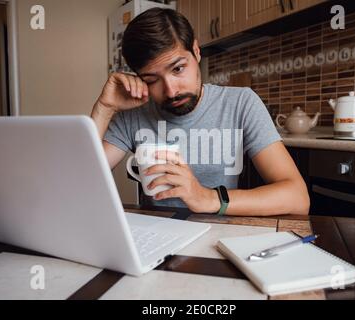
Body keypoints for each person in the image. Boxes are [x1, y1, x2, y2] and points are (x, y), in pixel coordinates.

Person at [91, 8, 309, 216]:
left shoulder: (241, 102)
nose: (171, 90)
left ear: (196, 52)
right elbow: (81, 182)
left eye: (178, 69)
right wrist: (105, 109)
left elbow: (298, 199)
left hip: (220, 233)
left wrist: (207, 198)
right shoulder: (133, 113)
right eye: (152, 80)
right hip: (159, 237)